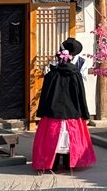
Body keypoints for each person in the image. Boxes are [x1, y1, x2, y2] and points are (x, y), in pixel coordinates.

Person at [32, 37, 97, 172]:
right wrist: (84, 112)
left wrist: (41, 111)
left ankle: (53, 163)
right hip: (72, 112)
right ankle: (69, 162)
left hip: (53, 112)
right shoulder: (75, 74)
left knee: (53, 139)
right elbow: (81, 95)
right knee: (70, 138)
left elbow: (45, 95)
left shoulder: (51, 75)